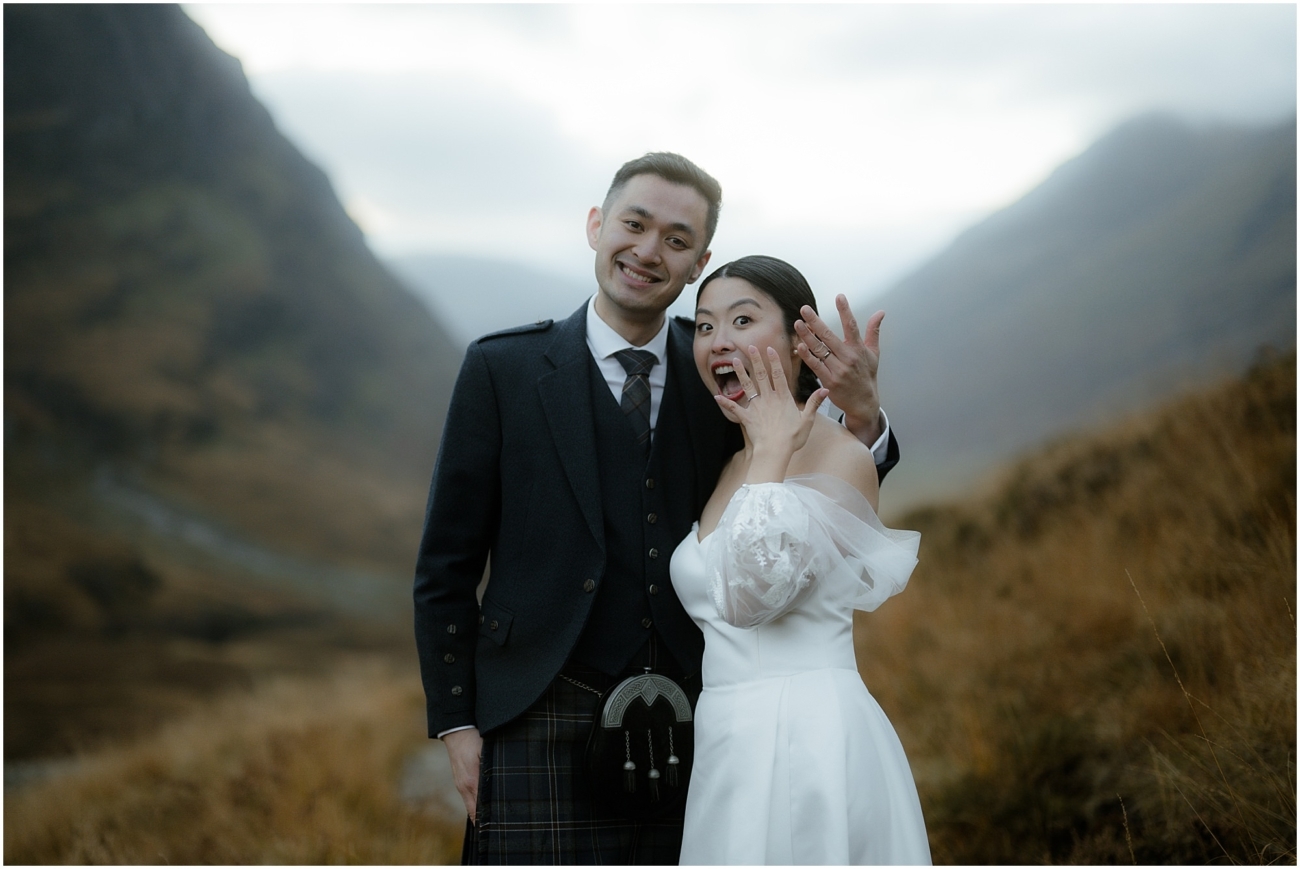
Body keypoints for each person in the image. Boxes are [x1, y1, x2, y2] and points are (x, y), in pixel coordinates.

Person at [413, 153, 899, 864]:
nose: (647, 251)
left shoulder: (723, 373)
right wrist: (457, 721)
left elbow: (813, 480)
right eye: (634, 224)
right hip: (534, 710)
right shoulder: (502, 369)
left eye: (675, 239)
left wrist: (863, 416)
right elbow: (445, 565)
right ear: (595, 225)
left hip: (694, 720)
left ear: (699, 259)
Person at [672, 255, 930, 864]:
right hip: (726, 739)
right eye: (705, 326)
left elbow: (753, 596)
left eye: (742, 319)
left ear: (799, 343)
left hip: (804, 738)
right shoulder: (729, 461)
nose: (719, 341)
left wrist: (770, 454)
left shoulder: (838, 454)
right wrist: (759, 451)